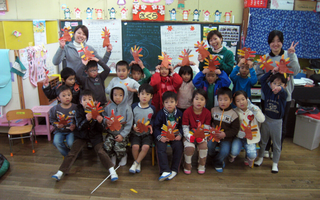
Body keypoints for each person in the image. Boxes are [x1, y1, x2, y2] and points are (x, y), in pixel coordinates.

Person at [51, 89, 118, 182]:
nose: (87, 102)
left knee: (101, 151)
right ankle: (60, 172)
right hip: (81, 135)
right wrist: (86, 120)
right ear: (80, 102)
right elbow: (79, 126)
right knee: (72, 152)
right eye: (84, 99)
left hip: (95, 136)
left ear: (95, 102)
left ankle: (112, 171)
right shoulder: (78, 110)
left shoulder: (98, 110)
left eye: (90, 99)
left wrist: (100, 122)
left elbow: (101, 129)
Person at [256, 30, 300, 158]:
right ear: (269, 43)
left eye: (278, 41)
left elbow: (295, 71)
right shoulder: (265, 58)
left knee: (281, 125)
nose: (275, 44)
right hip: (267, 97)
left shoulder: (289, 54)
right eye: (272, 41)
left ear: (282, 42)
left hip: (284, 98)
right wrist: (270, 74)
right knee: (266, 123)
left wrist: (291, 56)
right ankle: (265, 147)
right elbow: (259, 76)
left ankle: (276, 149)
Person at [254, 71, 287, 173]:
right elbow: (263, 80)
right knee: (263, 141)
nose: (277, 86)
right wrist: (270, 72)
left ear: (285, 86)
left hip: (277, 122)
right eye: (275, 83)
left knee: (276, 144)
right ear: (271, 84)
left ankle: (275, 163)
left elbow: (284, 92)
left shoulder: (283, 95)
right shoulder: (268, 91)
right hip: (266, 120)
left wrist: (280, 89)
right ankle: (260, 158)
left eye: (280, 84)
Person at [207, 87, 240, 173]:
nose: (223, 102)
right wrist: (211, 127)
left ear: (231, 100)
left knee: (225, 151)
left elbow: (235, 130)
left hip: (226, 138)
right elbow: (209, 122)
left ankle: (218, 162)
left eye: (226, 99)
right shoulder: (213, 110)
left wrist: (225, 134)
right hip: (214, 136)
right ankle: (215, 157)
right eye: (220, 99)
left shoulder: (234, 114)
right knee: (209, 147)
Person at [229, 90, 265, 167]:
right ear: (235, 103)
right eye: (238, 101)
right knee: (234, 152)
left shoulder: (254, 108)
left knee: (252, 154)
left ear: (247, 99)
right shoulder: (235, 111)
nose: (241, 102)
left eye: (243, 99)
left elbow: (262, 119)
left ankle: (248, 157)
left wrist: (254, 109)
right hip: (238, 137)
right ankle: (232, 156)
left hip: (251, 136)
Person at [153, 91, 183, 181]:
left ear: (176, 102)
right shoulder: (160, 114)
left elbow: (182, 126)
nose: (169, 104)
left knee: (178, 147)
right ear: (163, 103)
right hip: (163, 135)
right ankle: (165, 170)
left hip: (175, 135)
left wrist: (180, 135)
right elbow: (156, 127)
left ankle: (174, 169)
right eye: (166, 102)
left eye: (172, 102)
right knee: (161, 148)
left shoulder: (179, 113)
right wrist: (160, 137)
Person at [182, 89, 211, 174]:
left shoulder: (207, 113)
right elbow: (185, 127)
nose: (199, 102)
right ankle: (187, 165)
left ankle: (202, 165)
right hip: (189, 134)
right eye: (197, 99)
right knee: (189, 147)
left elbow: (206, 128)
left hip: (201, 135)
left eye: (202, 99)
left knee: (203, 147)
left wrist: (203, 137)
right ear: (192, 100)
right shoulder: (187, 112)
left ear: (205, 102)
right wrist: (188, 136)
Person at [103, 84, 133, 167]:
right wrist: (106, 121)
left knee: (118, 147)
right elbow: (103, 116)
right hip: (111, 133)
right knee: (106, 146)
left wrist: (122, 135)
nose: (117, 97)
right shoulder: (108, 107)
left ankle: (123, 156)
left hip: (123, 134)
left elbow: (129, 124)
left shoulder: (127, 108)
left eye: (120, 95)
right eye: (115, 95)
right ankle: (113, 156)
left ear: (125, 96)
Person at [129, 84, 156, 174]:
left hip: (147, 134)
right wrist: (133, 126)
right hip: (135, 133)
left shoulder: (152, 108)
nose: (144, 96)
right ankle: (138, 163)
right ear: (138, 95)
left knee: (146, 146)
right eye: (142, 94)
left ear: (151, 96)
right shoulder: (133, 106)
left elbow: (153, 120)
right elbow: (131, 119)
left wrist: (151, 125)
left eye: (147, 94)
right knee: (135, 146)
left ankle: (135, 163)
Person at [49, 85, 77, 157]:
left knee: (71, 143)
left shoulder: (76, 107)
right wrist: (56, 125)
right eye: (64, 96)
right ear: (58, 98)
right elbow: (52, 119)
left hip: (71, 131)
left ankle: (75, 153)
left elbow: (79, 119)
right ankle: (68, 155)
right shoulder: (54, 109)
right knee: (56, 142)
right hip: (60, 131)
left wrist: (75, 125)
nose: (67, 97)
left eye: (69, 95)